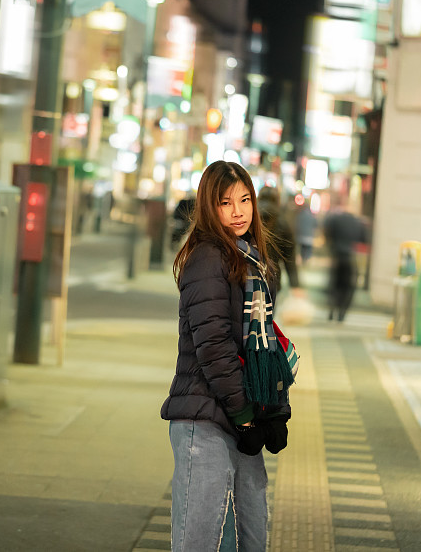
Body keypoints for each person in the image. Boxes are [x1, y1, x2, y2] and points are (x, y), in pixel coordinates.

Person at [161, 161, 295, 551]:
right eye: (225, 203)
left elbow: (264, 342)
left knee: (251, 537)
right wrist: (244, 416)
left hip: (243, 414)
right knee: (199, 541)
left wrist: (274, 411)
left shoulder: (253, 260)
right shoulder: (207, 258)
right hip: (205, 419)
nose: (238, 211)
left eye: (245, 199)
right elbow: (214, 346)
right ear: (208, 207)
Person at [323, 199, 368, 322]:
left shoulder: (335, 219)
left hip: (336, 256)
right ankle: (342, 313)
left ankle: (332, 310)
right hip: (350, 257)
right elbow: (363, 239)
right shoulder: (358, 223)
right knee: (347, 287)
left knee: (334, 284)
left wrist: (331, 245)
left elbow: (327, 232)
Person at [257, 186, 299, 295]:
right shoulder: (283, 222)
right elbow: (289, 257)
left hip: (249, 275)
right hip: (273, 277)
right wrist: (295, 283)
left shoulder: (250, 217)